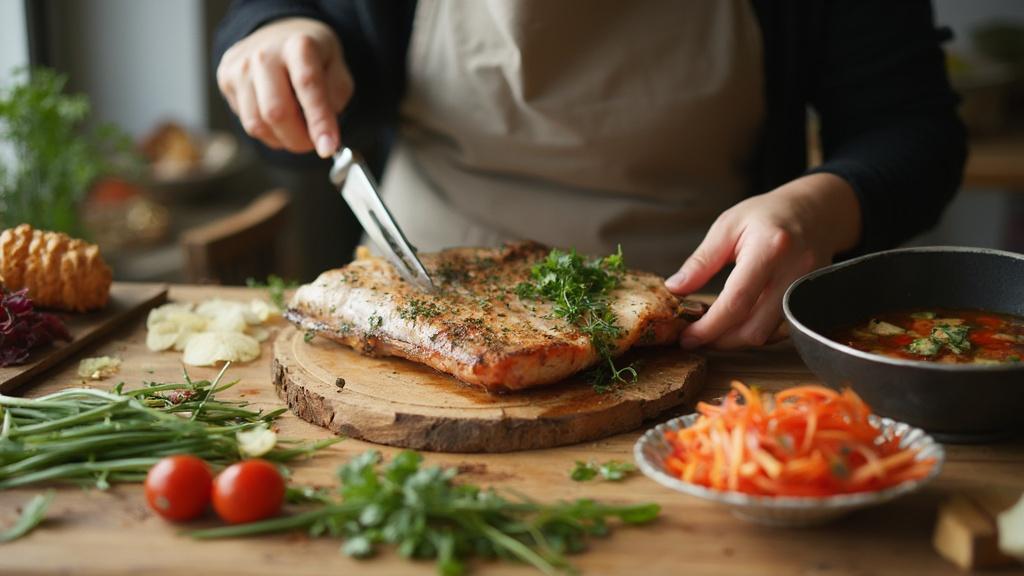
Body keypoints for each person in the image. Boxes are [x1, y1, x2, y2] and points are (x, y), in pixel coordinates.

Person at [213, 1, 966, 350]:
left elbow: (914, 130)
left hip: (703, 314)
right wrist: (276, 36)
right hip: (409, 293)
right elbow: (293, 39)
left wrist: (818, 209)